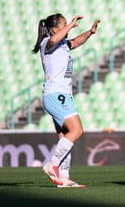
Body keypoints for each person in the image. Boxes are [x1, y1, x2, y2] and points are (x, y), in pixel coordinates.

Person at [32, 13, 100, 188]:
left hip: (61, 94)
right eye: (63, 24)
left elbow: (76, 42)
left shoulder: (64, 44)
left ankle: (63, 177)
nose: (68, 26)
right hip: (55, 94)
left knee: (65, 136)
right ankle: (52, 165)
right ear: (55, 29)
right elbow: (54, 41)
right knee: (76, 130)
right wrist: (70, 25)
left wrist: (90, 32)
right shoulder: (47, 42)